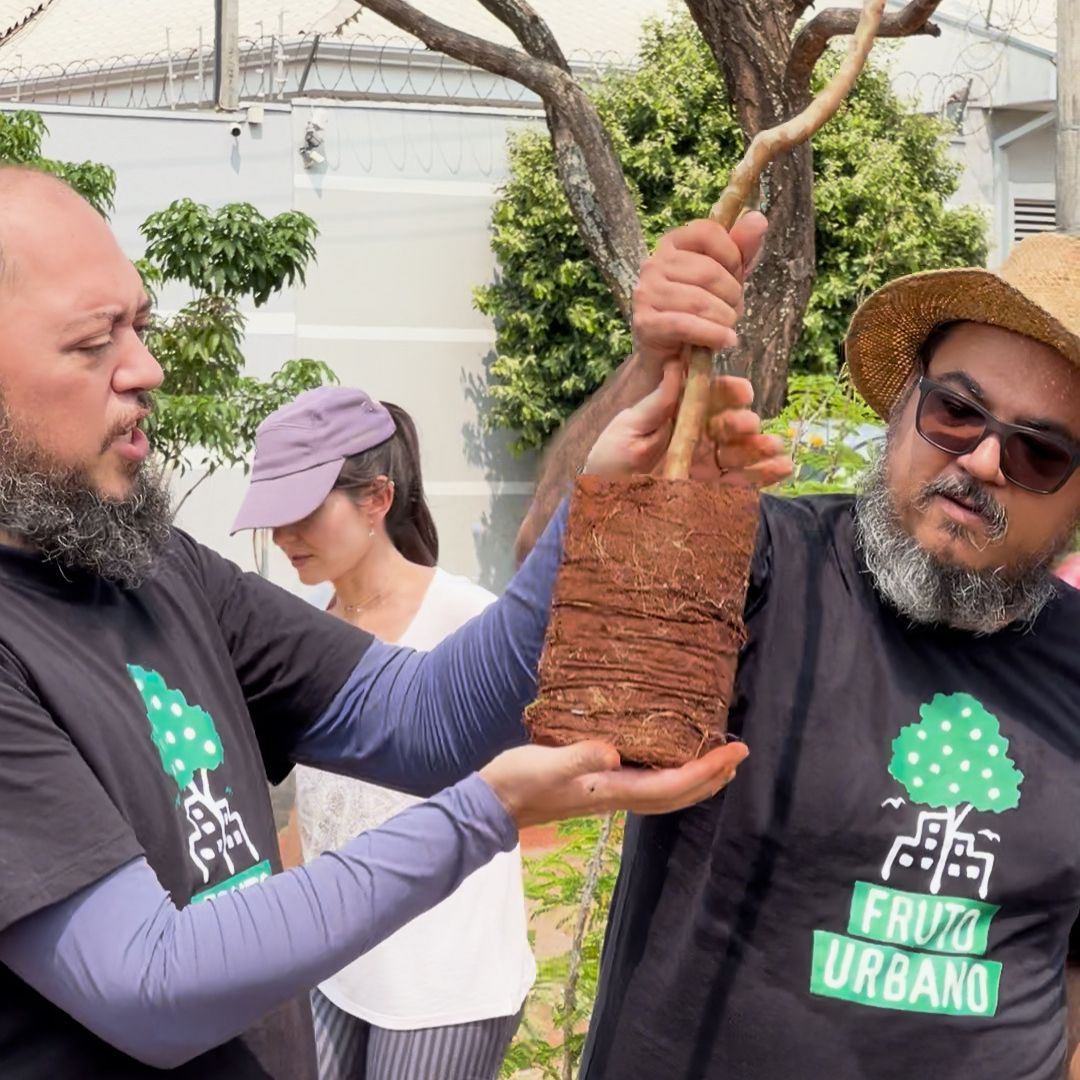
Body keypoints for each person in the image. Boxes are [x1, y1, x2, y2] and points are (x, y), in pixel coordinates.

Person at [0, 167, 765, 1080]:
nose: (147, 369)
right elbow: (153, 982)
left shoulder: (155, 565)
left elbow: (421, 713)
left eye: (141, 325)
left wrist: (600, 514)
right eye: (94, 343)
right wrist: (490, 810)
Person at [515, 216, 1080, 1080]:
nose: (986, 459)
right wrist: (654, 370)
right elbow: (558, 593)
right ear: (902, 410)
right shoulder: (761, 568)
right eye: (957, 411)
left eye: (1040, 452)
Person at [235, 387, 535, 1079]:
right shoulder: (301, 634)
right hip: (336, 966)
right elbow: (308, 815)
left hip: (444, 982)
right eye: (271, 516)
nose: (282, 536)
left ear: (376, 498)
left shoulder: (468, 622)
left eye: (301, 512)